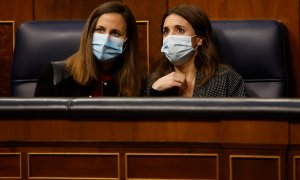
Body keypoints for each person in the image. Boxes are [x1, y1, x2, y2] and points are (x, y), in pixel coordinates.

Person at [34, 1, 145, 97]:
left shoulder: (136, 82)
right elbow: (38, 121)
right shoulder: (55, 75)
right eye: (100, 30)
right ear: (89, 34)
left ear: (126, 43)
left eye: (115, 33)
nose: (106, 39)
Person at [144, 4, 246, 97]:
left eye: (180, 30)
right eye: (166, 31)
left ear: (199, 39)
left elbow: (242, 115)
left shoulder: (225, 78)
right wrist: (155, 92)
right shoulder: (153, 82)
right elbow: (145, 116)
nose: (170, 37)